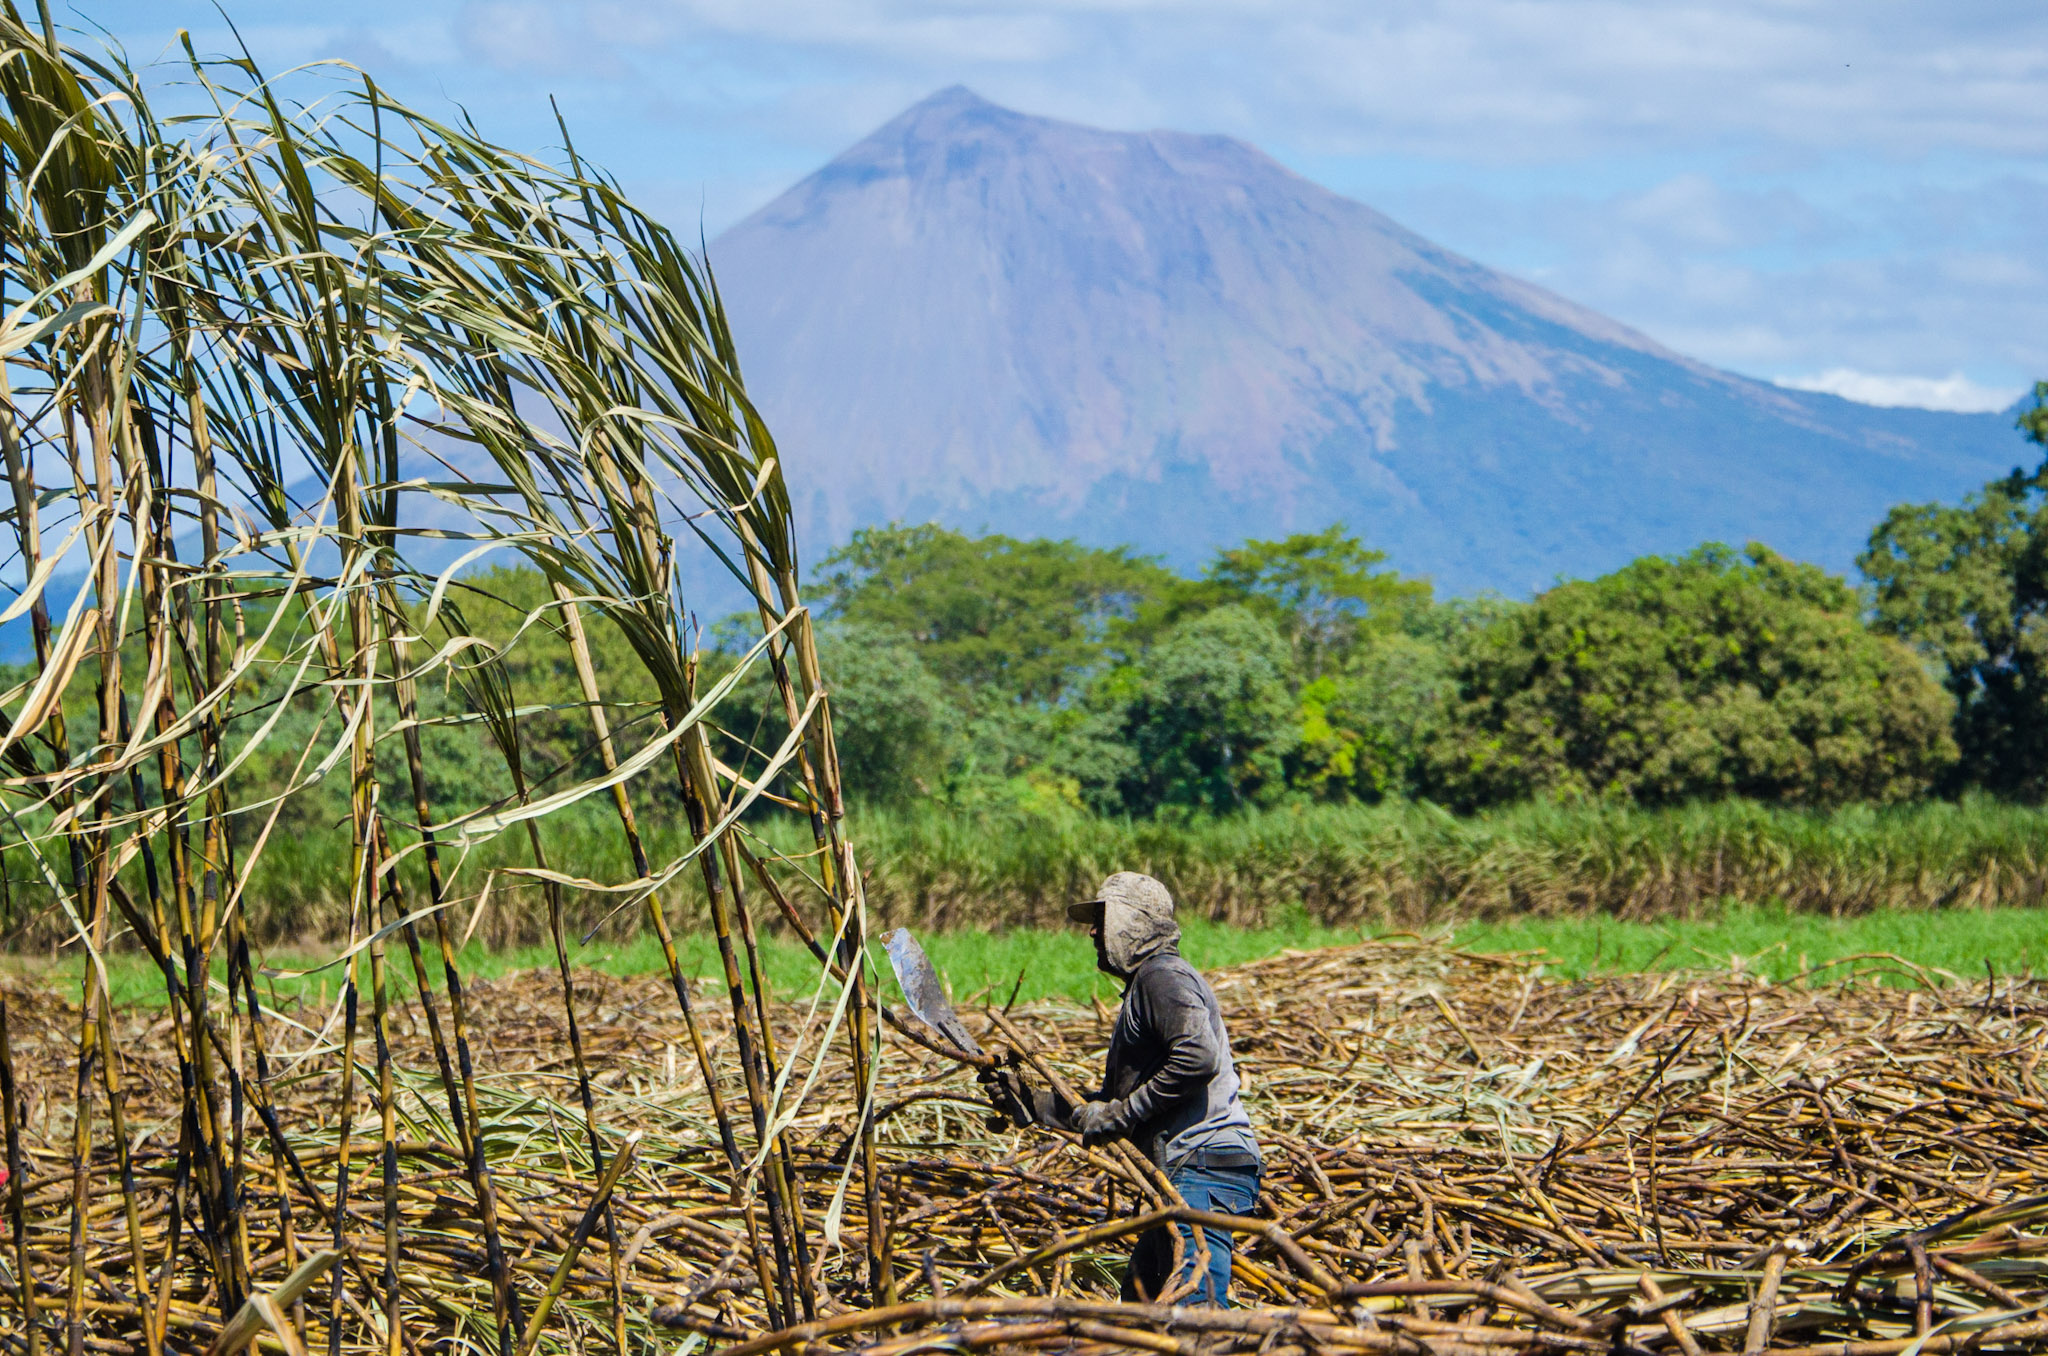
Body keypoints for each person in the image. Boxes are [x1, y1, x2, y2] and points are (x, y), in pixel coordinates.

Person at [981, 872, 1263, 1306]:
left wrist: (1124, 1114)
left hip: (1202, 1165)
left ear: (1134, 922)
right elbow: (1110, 1108)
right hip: (1182, 1171)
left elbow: (1197, 1057)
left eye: (1103, 918)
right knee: (1141, 1302)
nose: (1093, 931)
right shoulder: (1146, 988)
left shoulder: (1162, 977)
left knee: (1193, 1307)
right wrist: (1035, 1103)